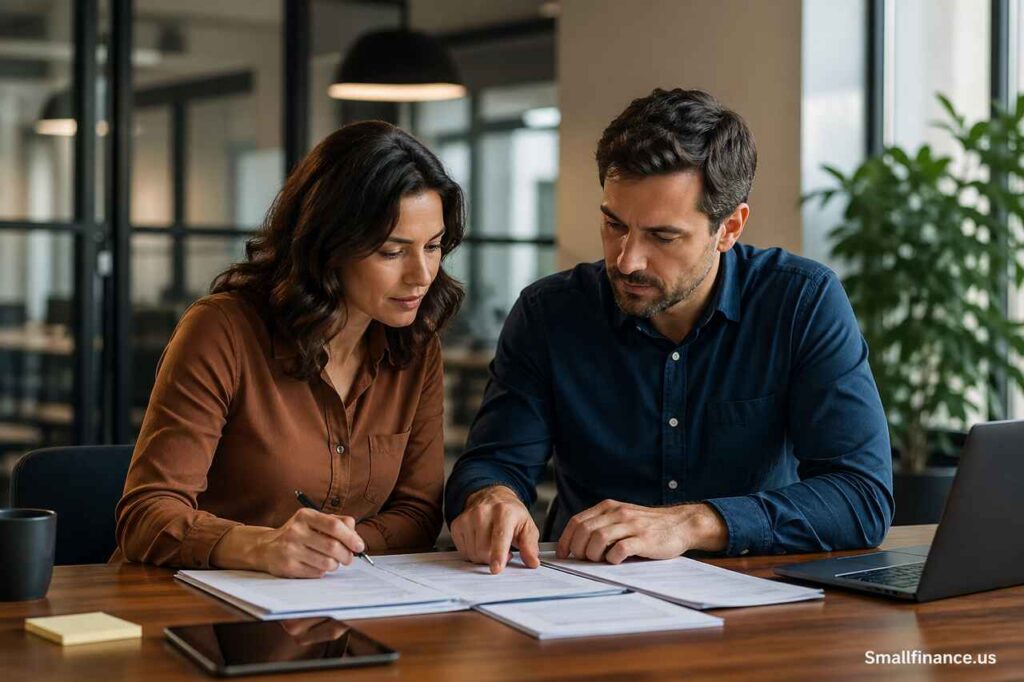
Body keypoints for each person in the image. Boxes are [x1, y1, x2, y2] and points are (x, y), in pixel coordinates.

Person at [446, 88, 893, 574]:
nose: (626, 260)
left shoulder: (800, 303)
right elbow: (493, 463)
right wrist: (492, 498)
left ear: (730, 228)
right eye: (614, 225)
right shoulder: (548, 313)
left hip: (749, 592)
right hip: (585, 588)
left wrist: (693, 523)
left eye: (662, 236)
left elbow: (861, 497)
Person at [114, 121, 464, 577]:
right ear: (330, 245)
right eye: (392, 252)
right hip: (189, 600)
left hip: (337, 597)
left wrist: (331, 550)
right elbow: (146, 515)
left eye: (433, 247)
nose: (422, 275)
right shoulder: (223, 330)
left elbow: (417, 513)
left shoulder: (416, 346)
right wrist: (261, 546)